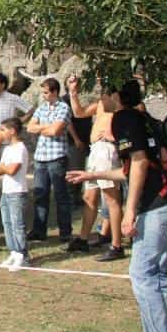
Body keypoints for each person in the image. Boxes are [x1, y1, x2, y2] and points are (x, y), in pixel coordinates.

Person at [67, 80, 167, 332]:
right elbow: (131, 167)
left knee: (144, 273)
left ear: (115, 96)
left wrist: (130, 210)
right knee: (154, 273)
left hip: (159, 203)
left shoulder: (123, 118)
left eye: (104, 94)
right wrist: (93, 174)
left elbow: (139, 162)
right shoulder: (143, 117)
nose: (102, 100)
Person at [66, 76, 125, 261]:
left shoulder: (118, 106)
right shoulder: (100, 104)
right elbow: (79, 112)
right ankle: (83, 239)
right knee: (90, 196)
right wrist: (72, 92)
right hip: (95, 150)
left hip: (106, 149)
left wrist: (114, 135)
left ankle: (116, 244)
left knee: (111, 198)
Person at [25, 77, 73, 243]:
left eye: (46, 92)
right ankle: (39, 230)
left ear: (54, 92)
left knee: (61, 196)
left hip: (57, 156)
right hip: (41, 157)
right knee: (40, 194)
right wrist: (48, 128)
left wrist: (43, 128)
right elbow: (30, 128)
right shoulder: (42, 108)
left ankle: (65, 231)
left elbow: (56, 131)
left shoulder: (64, 108)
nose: (43, 95)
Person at [0, 73, 33, 212]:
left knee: (10, 172)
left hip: (9, 142)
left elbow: (30, 109)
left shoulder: (12, 98)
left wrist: (17, 123)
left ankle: (12, 201)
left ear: (3, 84)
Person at [0, 117, 30, 271]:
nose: (1, 133)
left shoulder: (20, 148)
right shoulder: (7, 149)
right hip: (6, 191)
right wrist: (4, 168)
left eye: (3, 130)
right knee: (7, 223)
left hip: (17, 191)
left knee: (17, 225)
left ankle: (23, 254)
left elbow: (11, 169)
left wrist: (5, 168)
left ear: (12, 131)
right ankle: (14, 251)